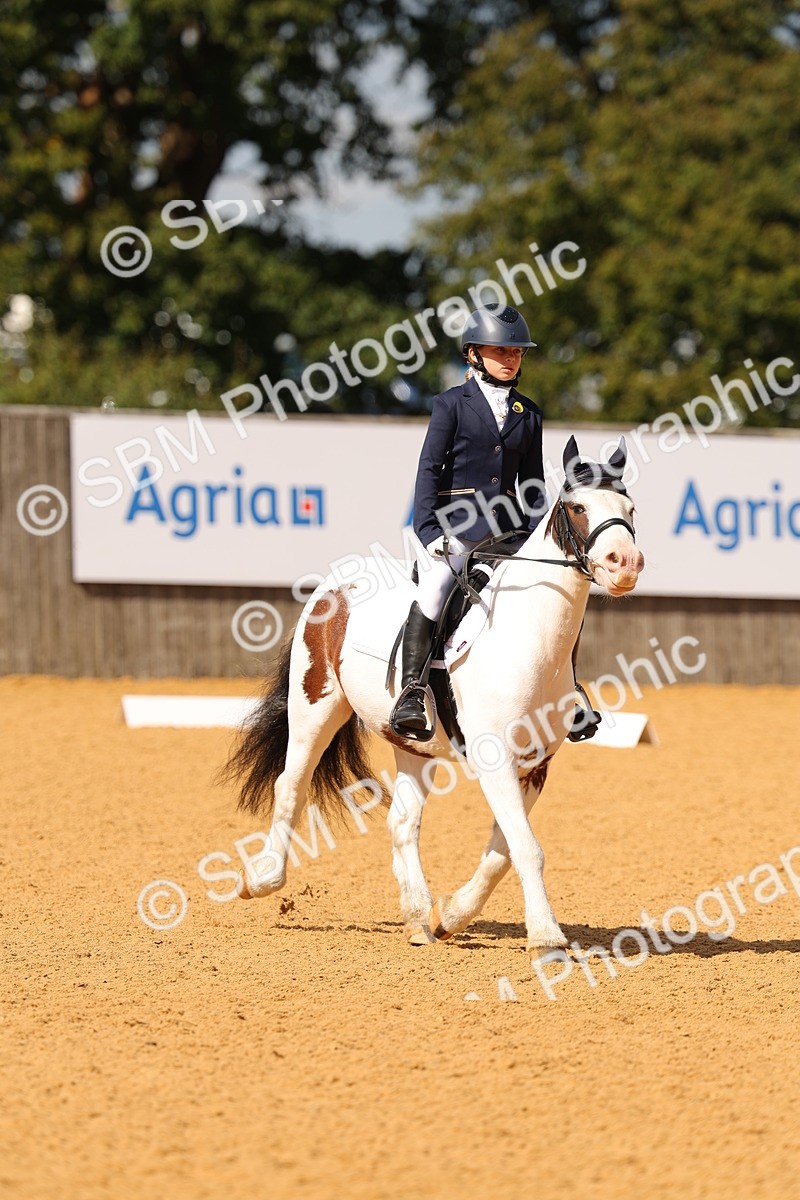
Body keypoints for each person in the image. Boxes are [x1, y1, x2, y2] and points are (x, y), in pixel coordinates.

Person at [390, 304, 547, 736]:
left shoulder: (529, 413)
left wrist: (535, 538)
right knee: (438, 588)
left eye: (517, 352)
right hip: (455, 529)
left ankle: (567, 691)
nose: (511, 358)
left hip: (508, 534)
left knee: (549, 595)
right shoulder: (450, 405)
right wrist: (429, 530)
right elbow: (428, 469)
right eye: (501, 350)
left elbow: (532, 484)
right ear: (473, 353)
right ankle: (411, 693)